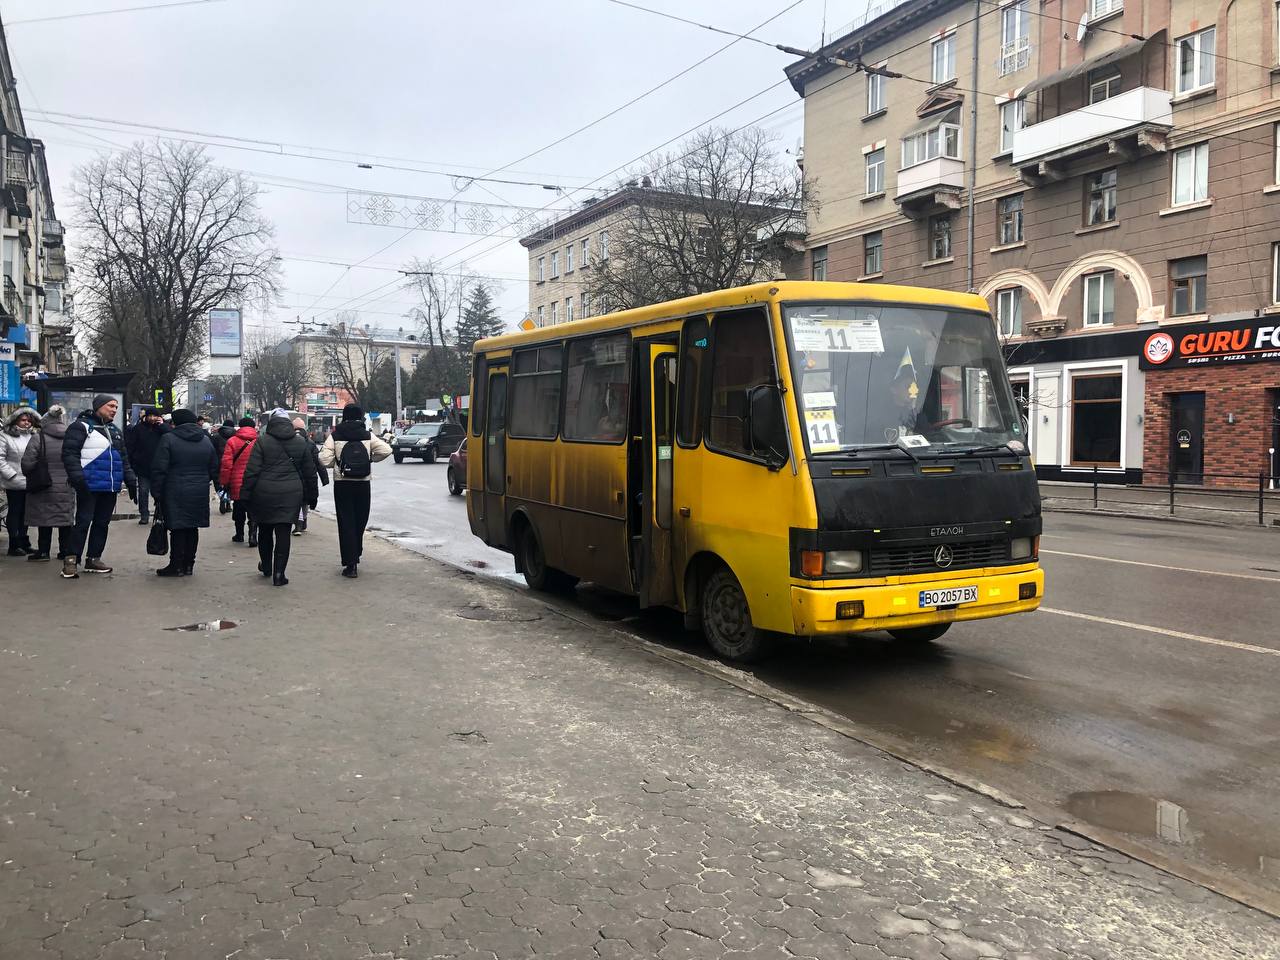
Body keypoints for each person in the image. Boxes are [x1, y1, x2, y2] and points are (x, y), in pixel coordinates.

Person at [62, 395, 137, 578]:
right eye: (110, 406)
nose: (114, 409)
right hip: (88, 486)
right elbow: (69, 454)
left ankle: (93, 559)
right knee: (82, 523)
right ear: (98, 407)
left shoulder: (115, 430)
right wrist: (78, 478)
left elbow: (124, 460)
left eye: (116, 407)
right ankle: (71, 561)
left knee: (102, 524)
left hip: (109, 486)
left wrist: (131, 481)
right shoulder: (80, 427)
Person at [240, 412, 318, 586]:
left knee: (265, 531)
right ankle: (279, 574)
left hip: (264, 492)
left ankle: (267, 566)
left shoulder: (262, 441)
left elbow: (252, 471)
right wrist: (312, 496)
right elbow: (310, 473)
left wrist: (245, 495)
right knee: (283, 533)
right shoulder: (300, 442)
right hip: (291, 494)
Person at [318, 403, 392, 579]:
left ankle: (350, 564)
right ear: (360, 416)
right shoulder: (367, 435)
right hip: (362, 483)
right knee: (360, 520)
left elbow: (323, 458)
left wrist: (336, 464)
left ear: (344, 416)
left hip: (343, 483)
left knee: (346, 522)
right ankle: (356, 553)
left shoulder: (336, 435)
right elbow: (386, 450)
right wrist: (369, 460)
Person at [150, 408, 220, 577]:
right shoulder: (205, 440)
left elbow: (159, 468)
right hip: (199, 490)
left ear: (175, 422)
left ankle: (176, 565)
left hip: (175, 489)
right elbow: (214, 467)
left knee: (178, 527)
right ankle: (189, 565)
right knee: (192, 527)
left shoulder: (168, 439)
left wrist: (156, 492)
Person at [20, 406, 78, 568]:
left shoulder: (39, 438)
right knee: (64, 519)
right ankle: (64, 550)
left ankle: (43, 552)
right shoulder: (70, 437)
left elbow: (27, 463)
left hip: (43, 484)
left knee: (44, 518)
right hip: (66, 485)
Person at [1, 406, 41, 555]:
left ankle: (24, 542)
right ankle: (14, 544)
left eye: (29, 420)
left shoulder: (33, 436)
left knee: (26, 513)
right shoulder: (5, 436)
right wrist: (11, 475)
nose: (27, 423)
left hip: (30, 481)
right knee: (15, 512)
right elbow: (0, 459)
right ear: (15, 421)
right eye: (23, 420)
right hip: (14, 481)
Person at [124, 407, 169, 525]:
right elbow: (131, 446)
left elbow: (170, 437)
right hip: (142, 467)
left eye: (155, 416)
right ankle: (144, 514)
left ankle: (160, 514)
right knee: (143, 492)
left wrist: (163, 425)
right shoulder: (138, 429)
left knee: (158, 492)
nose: (152, 418)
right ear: (146, 416)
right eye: (150, 416)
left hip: (158, 467)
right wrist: (133, 462)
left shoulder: (161, 429)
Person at [219, 417, 259, 546]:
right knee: (253, 509)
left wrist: (224, 481)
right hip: (255, 481)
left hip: (237, 481)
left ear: (239, 427)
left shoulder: (232, 441)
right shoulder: (260, 441)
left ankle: (239, 534)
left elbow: (226, 464)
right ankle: (253, 536)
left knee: (238, 508)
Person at [291, 417, 328, 535]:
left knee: (296, 500)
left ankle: (298, 523)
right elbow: (318, 462)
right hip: (308, 476)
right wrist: (324, 478)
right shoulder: (310, 443)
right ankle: (303, 521)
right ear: (304, 428)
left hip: (293, 476)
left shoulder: (289, 441)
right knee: (305, 500)